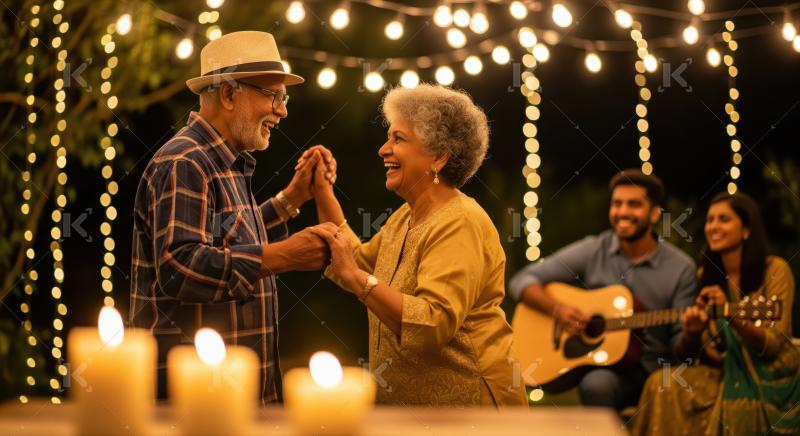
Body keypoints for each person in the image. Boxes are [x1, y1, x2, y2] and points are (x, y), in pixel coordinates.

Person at [129, 31, 336, 403]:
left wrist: (292, 198)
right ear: (228, 94)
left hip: (234, 402)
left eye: (283, 98)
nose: (283, 110)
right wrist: (285, 256)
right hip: (194, 409)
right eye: (273, 96)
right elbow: (180, 266)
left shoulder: (221, 161)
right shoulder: (185, 161)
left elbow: (228, 236)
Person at [298, 84, 527, 407]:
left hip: (471, 410)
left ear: (439, 156)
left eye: (398, 139)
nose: (383, 149)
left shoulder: (460, 222)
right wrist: (322, 190)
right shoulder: (406, 216)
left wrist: (356, 277)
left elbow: (433, 323)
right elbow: (357, 262)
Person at [508, 169, 698, 410]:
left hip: (655, 372)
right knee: (596, 385)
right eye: (617, 204)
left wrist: (692, 332)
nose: (623, 212)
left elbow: (682, 349)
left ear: (654, 214)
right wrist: (558, 310)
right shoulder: (594, 248)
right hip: (606, 370)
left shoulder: (681, 269)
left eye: (634, 204)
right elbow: (522, 280)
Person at [631, 192, 799, 435]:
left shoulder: (775, 270)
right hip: (723, 372)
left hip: (770, 374)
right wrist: (692, 333)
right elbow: (689, 353)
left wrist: (731, 315)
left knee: (740, 408)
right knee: (659, 383)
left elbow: (772, 346)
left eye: (723, 219)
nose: (713, 227)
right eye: (710, 220)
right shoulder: (704, 277)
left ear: (746, 230)